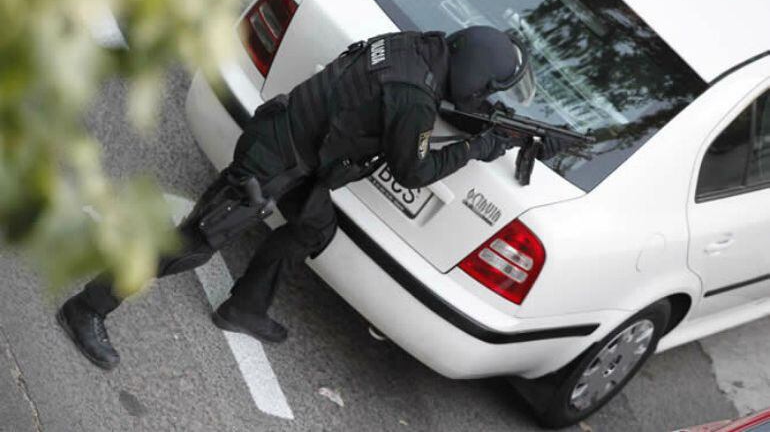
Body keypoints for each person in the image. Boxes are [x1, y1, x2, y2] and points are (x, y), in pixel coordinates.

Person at [57, 26, 560, 370]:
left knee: (314, 227)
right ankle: (87, 307)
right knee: (192, 243)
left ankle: (244, 307)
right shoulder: (414, 98)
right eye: (487, 87)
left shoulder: (420, 49)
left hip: (303, 150)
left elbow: (429, 99)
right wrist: (480, 148)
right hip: (274, 158)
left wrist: (499, 126)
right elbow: (414, 170)